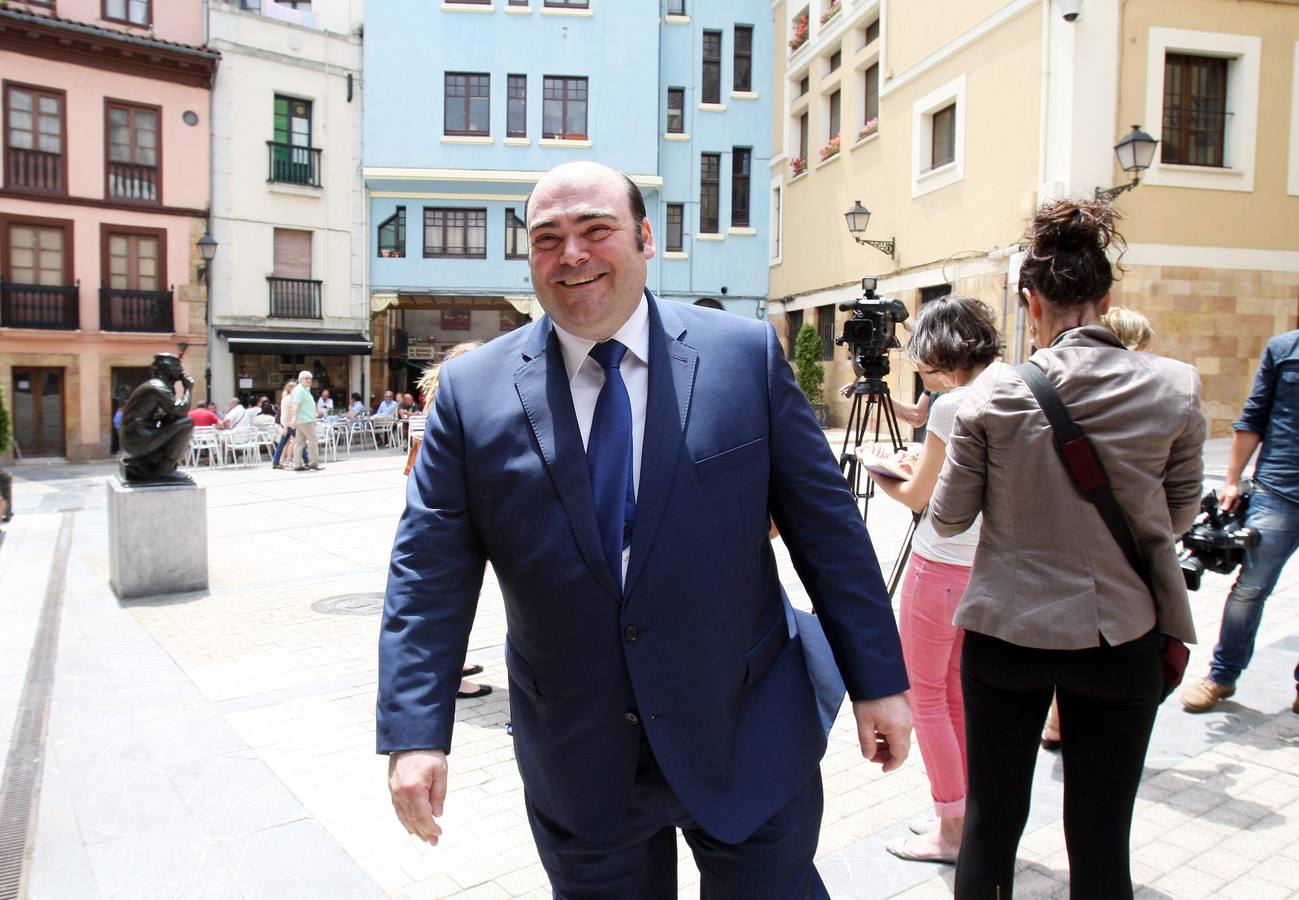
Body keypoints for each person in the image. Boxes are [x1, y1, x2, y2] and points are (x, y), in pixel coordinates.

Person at [379, 161, 910, 897]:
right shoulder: (472, 394)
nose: (572, 254)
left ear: (645, 236)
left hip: (744, 729)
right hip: (580, 755)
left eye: (596, 229)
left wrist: (878, 682)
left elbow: (828, 534)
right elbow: (427, 573)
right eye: (547, 237)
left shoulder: (742, 356)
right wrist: (414, 734)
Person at [929, 199, 1206, 899]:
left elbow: (951, 516)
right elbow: (1175, 516)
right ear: (1107, 299)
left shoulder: (988, 395)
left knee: (991, 825)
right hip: (1119, 636)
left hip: (1005, 634)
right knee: (1101, 835)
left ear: (1028, 302)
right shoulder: (1174, 385)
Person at [863, 297, 1000, 865]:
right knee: (958, 695)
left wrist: (879, 470)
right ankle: (964, 813)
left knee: (926, 698)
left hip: (939, 564)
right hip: (985, 566)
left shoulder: (951, 405)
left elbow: (920, 497)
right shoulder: (1011, 388)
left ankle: (951, 829)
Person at [1042, 302, 1159, 750]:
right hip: (1120, 567)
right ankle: (1061, 723)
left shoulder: (1047, 390)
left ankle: (1056, 722)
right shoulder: (1155, 398)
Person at [1182, 328, 1299, 716]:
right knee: (1250, 589)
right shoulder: (1284, 349)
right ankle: (1221, 675)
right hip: (1278, 490)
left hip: (1277, 490)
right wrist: (1231, 480)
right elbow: (1254, 415)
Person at [410, 340, 492, 699]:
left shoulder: (446, 394)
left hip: (458, 507)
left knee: (455, 594)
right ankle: (450, 676)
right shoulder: (461, 398)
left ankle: (454, 664)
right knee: (453, 596)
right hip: (459, 511)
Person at [272, 380, 308, 470]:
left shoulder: (285, 398)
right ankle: (307, 461)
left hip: (286, 424)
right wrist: (288, 426)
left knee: (282, 444)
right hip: (290, 425)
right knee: (300, 441)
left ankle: (276, 462)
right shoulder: (290, 399)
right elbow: (289, 413)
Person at [290, 371, 322, 471]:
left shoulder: (303, 389)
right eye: (306, 378)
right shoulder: (300, 390)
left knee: (299, 443)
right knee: (313, 440)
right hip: (305, 420)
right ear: (300, 379)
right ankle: (313, 463)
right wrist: (293, 419)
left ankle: (297, 464)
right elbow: (295, 405)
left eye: (310, 378)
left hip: (303, 420)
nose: (308, 380)